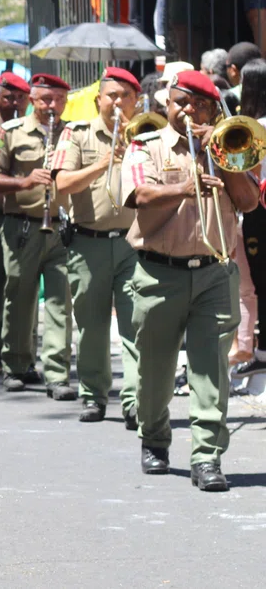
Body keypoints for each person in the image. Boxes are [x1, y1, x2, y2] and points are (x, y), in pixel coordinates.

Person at [120, 70, 259, 491]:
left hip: (215, 273)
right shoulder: (145, 146)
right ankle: (155, 439)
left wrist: (221, 156)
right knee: (155, 371)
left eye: (199, 105)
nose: (188, 111)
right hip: (159, 272)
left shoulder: (226, 145)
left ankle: (207, 458)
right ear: (168, 104)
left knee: (210, 370)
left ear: (214, 110)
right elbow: (139, 197)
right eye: (181, 102)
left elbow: (249, 202)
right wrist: (187, 185)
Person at [51, 67, 142, 426]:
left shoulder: (146, 134)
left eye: (126, 96)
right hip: (88, 244)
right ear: (98, 100)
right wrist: (103, 164)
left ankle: (136, 400)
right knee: (91, 326)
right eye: (112, 96)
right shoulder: (76, 133)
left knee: (138, 326)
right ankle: (94, 395)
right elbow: (61, 185)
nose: (118, 103)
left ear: (137, 102)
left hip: (134, 244)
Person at [0, 73, 77, 399]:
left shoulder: (72, 134)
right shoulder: (10, 132)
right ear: (33, 100)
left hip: (61, 229)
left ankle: (57, 373)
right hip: (22, 226)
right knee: (20, 297)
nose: (53, 106)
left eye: (59, 100)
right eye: (46, 99)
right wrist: (23, 182)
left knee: (60, 302)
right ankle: (16, 364)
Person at [232, 58, 266, 381]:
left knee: (260, 283)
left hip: (259, 211)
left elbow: (248, 172)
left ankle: (262, 352)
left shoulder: (258, 127)